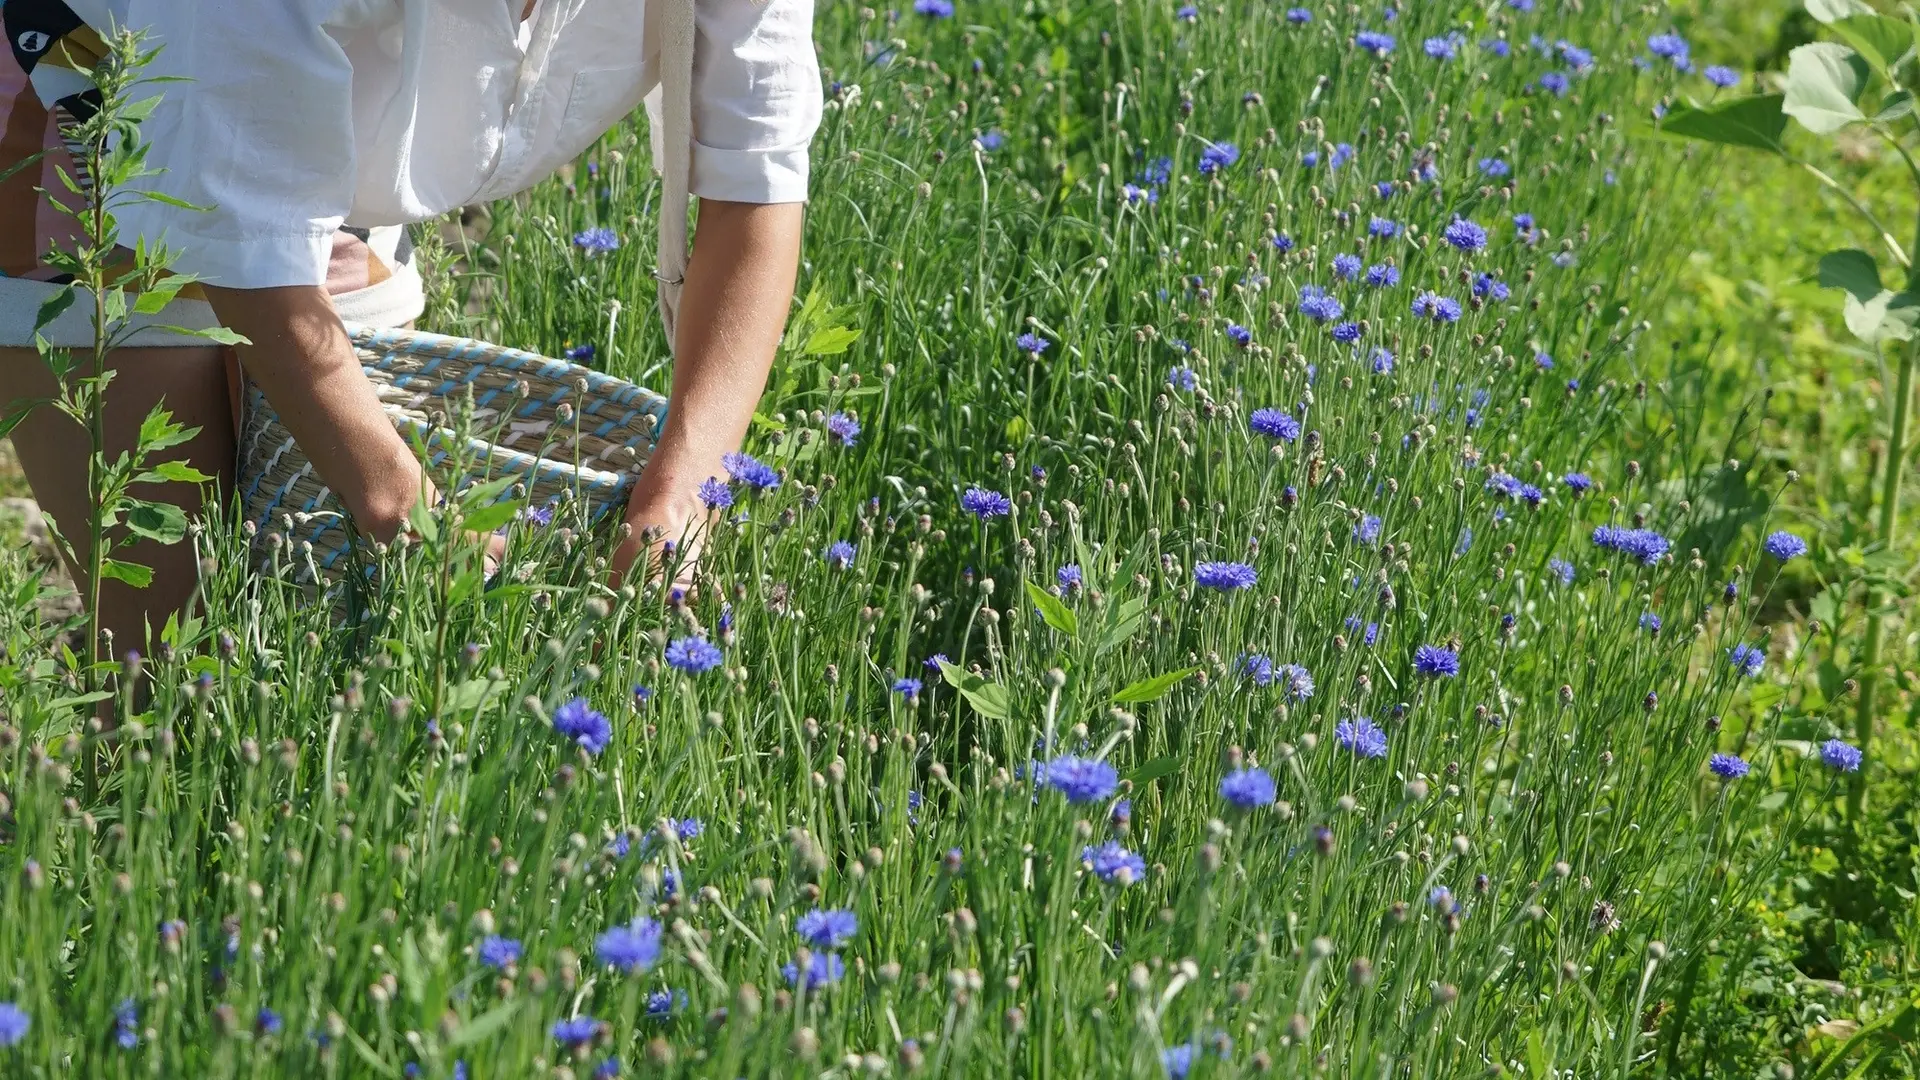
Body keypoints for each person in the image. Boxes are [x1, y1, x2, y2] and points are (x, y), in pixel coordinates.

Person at [0, 0, 819, 655]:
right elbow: (237, 212)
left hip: (331, 151)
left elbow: (757, 175)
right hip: (102, 98)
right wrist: (402, 503)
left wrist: (682, 498)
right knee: (162, 646)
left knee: (328, 642)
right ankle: (117, 838)